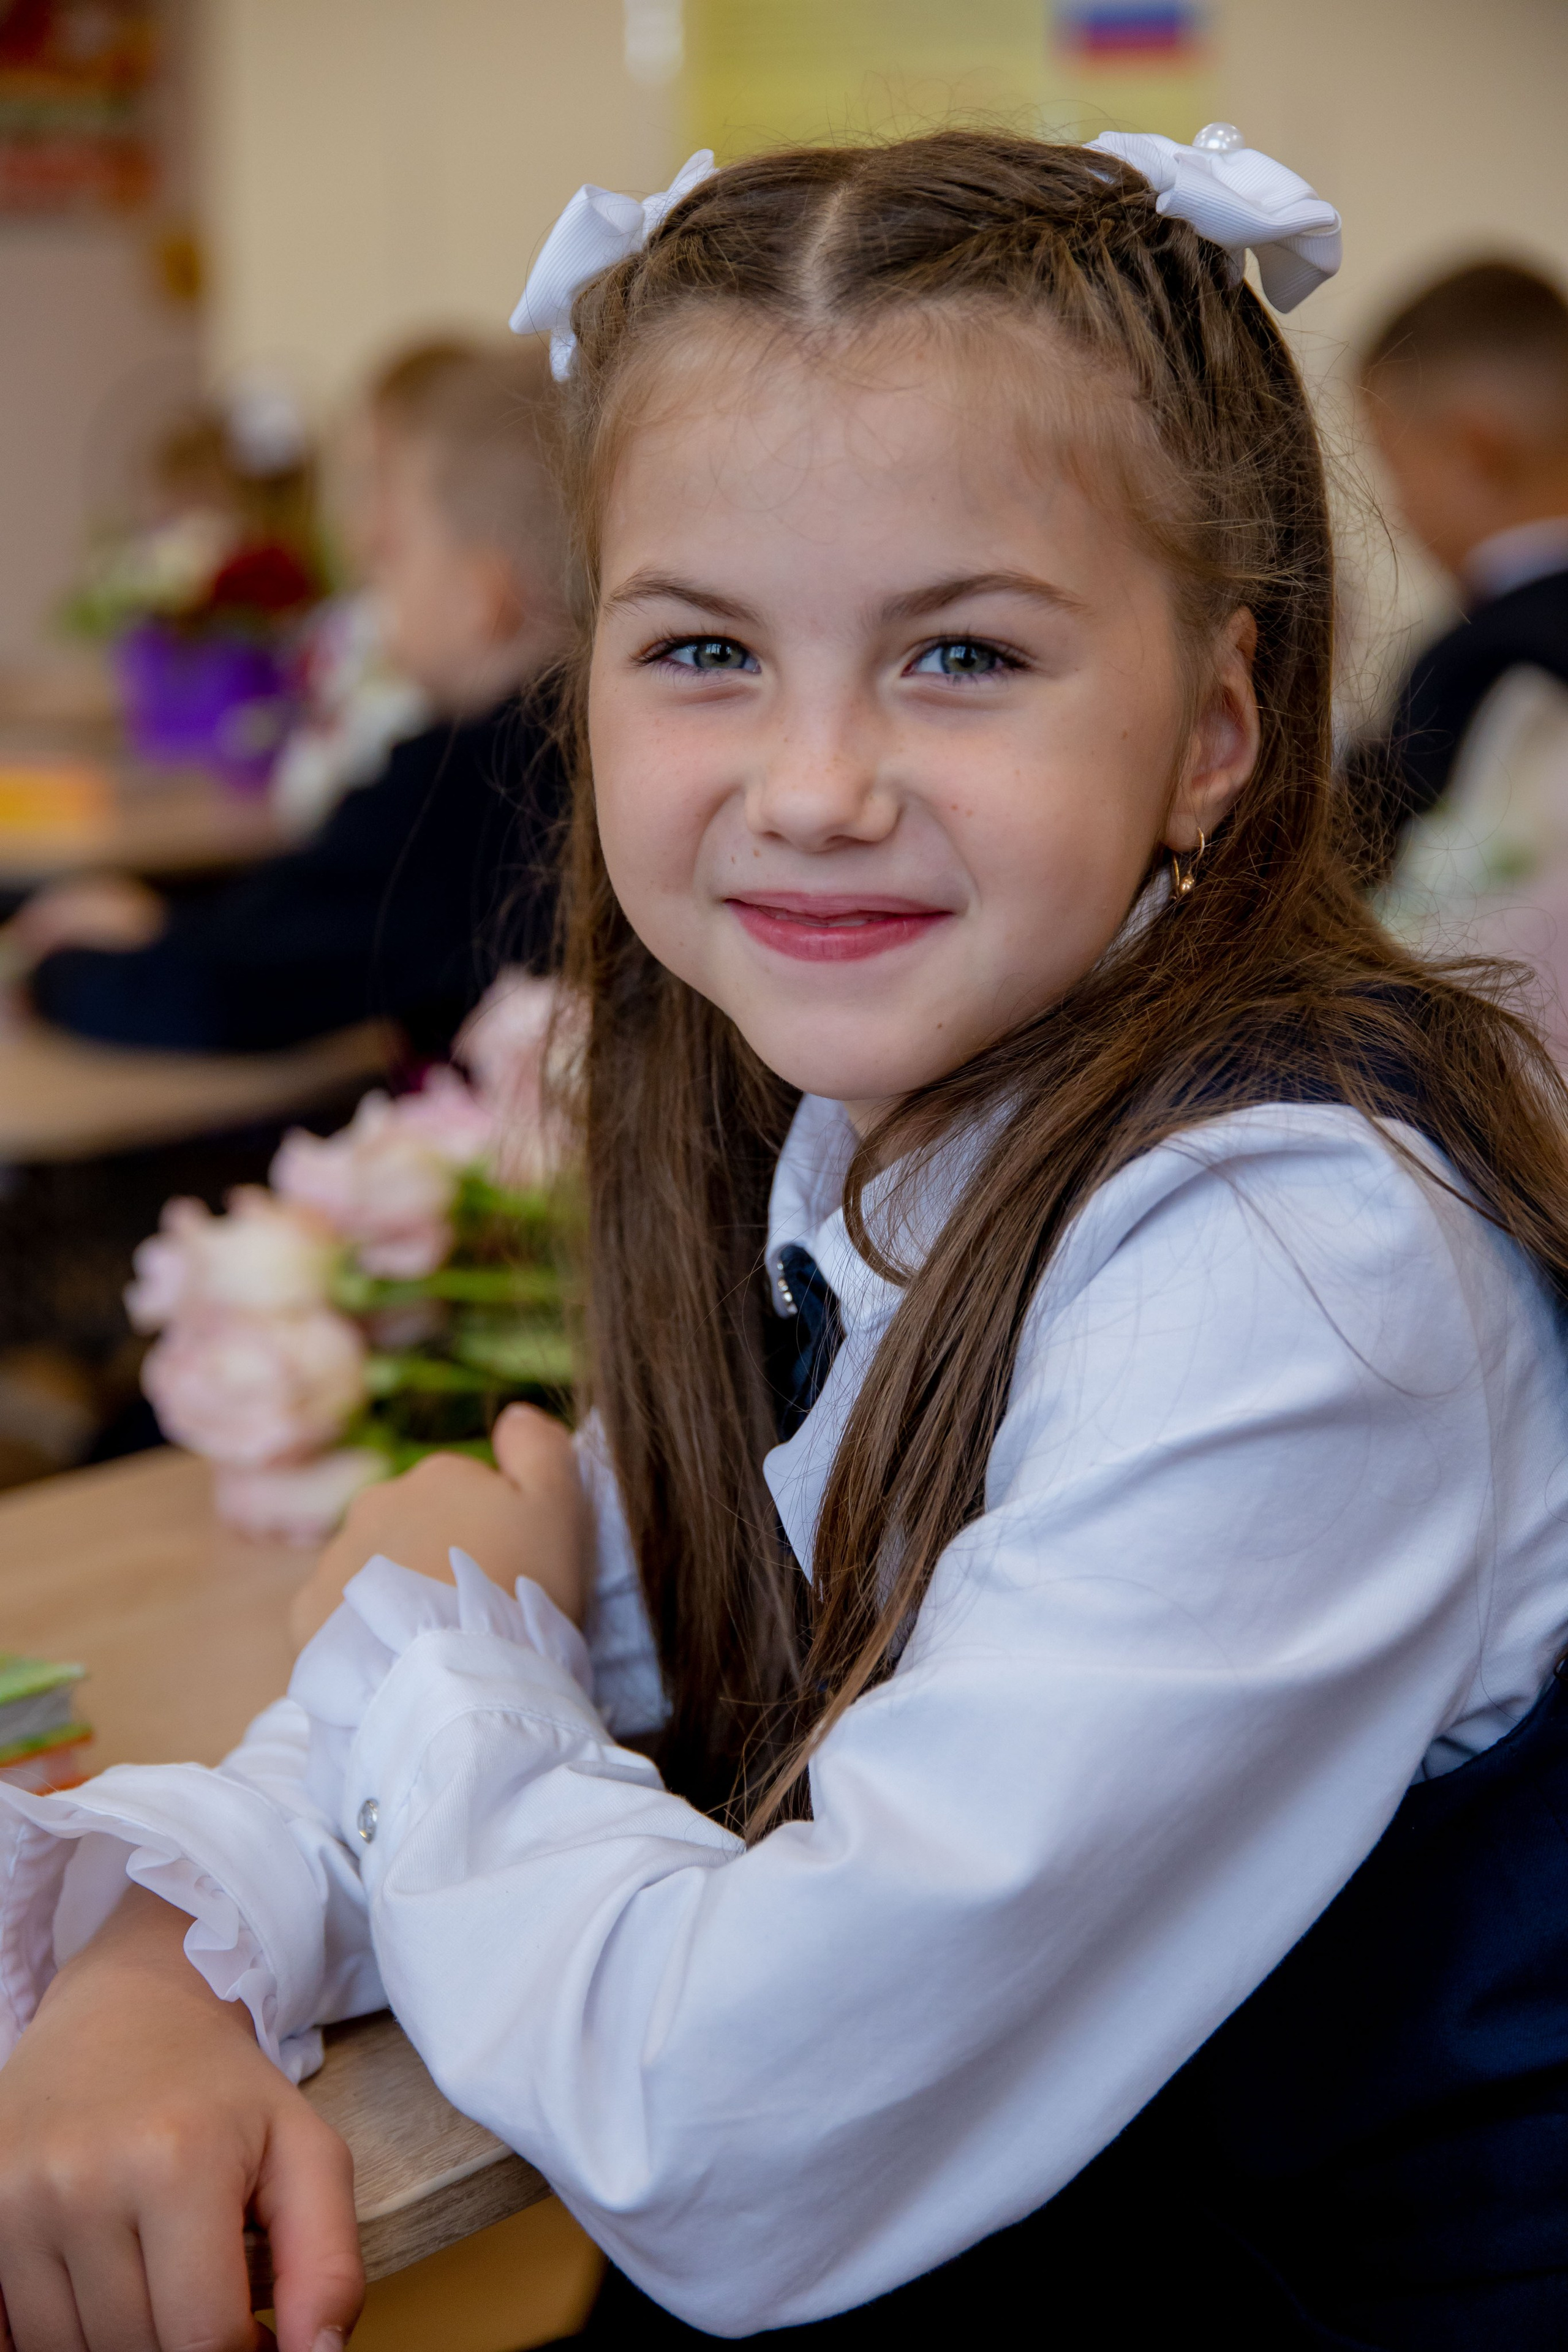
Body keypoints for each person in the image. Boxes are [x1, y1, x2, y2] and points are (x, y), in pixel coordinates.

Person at [5, 127, 1568, 2352]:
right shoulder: (878, 1139)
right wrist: (170, 1952)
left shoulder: (1287, 1271)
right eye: (706, 650)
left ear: (1216, 722)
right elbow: (568, 1594)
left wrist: (439, 1656)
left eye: (956, 654)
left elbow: (722, 2127)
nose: (814, 779)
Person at [3, 343, 571, 1060]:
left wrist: (50, 970)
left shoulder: (464, 783)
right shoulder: (569, 748)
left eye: (392, 550)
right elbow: (296, 928)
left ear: (485, 600)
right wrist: (165, 926)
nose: (365, 559)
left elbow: (222, 998)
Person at [1351, 259, 1568, 867]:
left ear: (1476, 453)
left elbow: (1382, 857)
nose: (1397, 510)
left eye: (1394, 468)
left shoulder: (1468, 665)